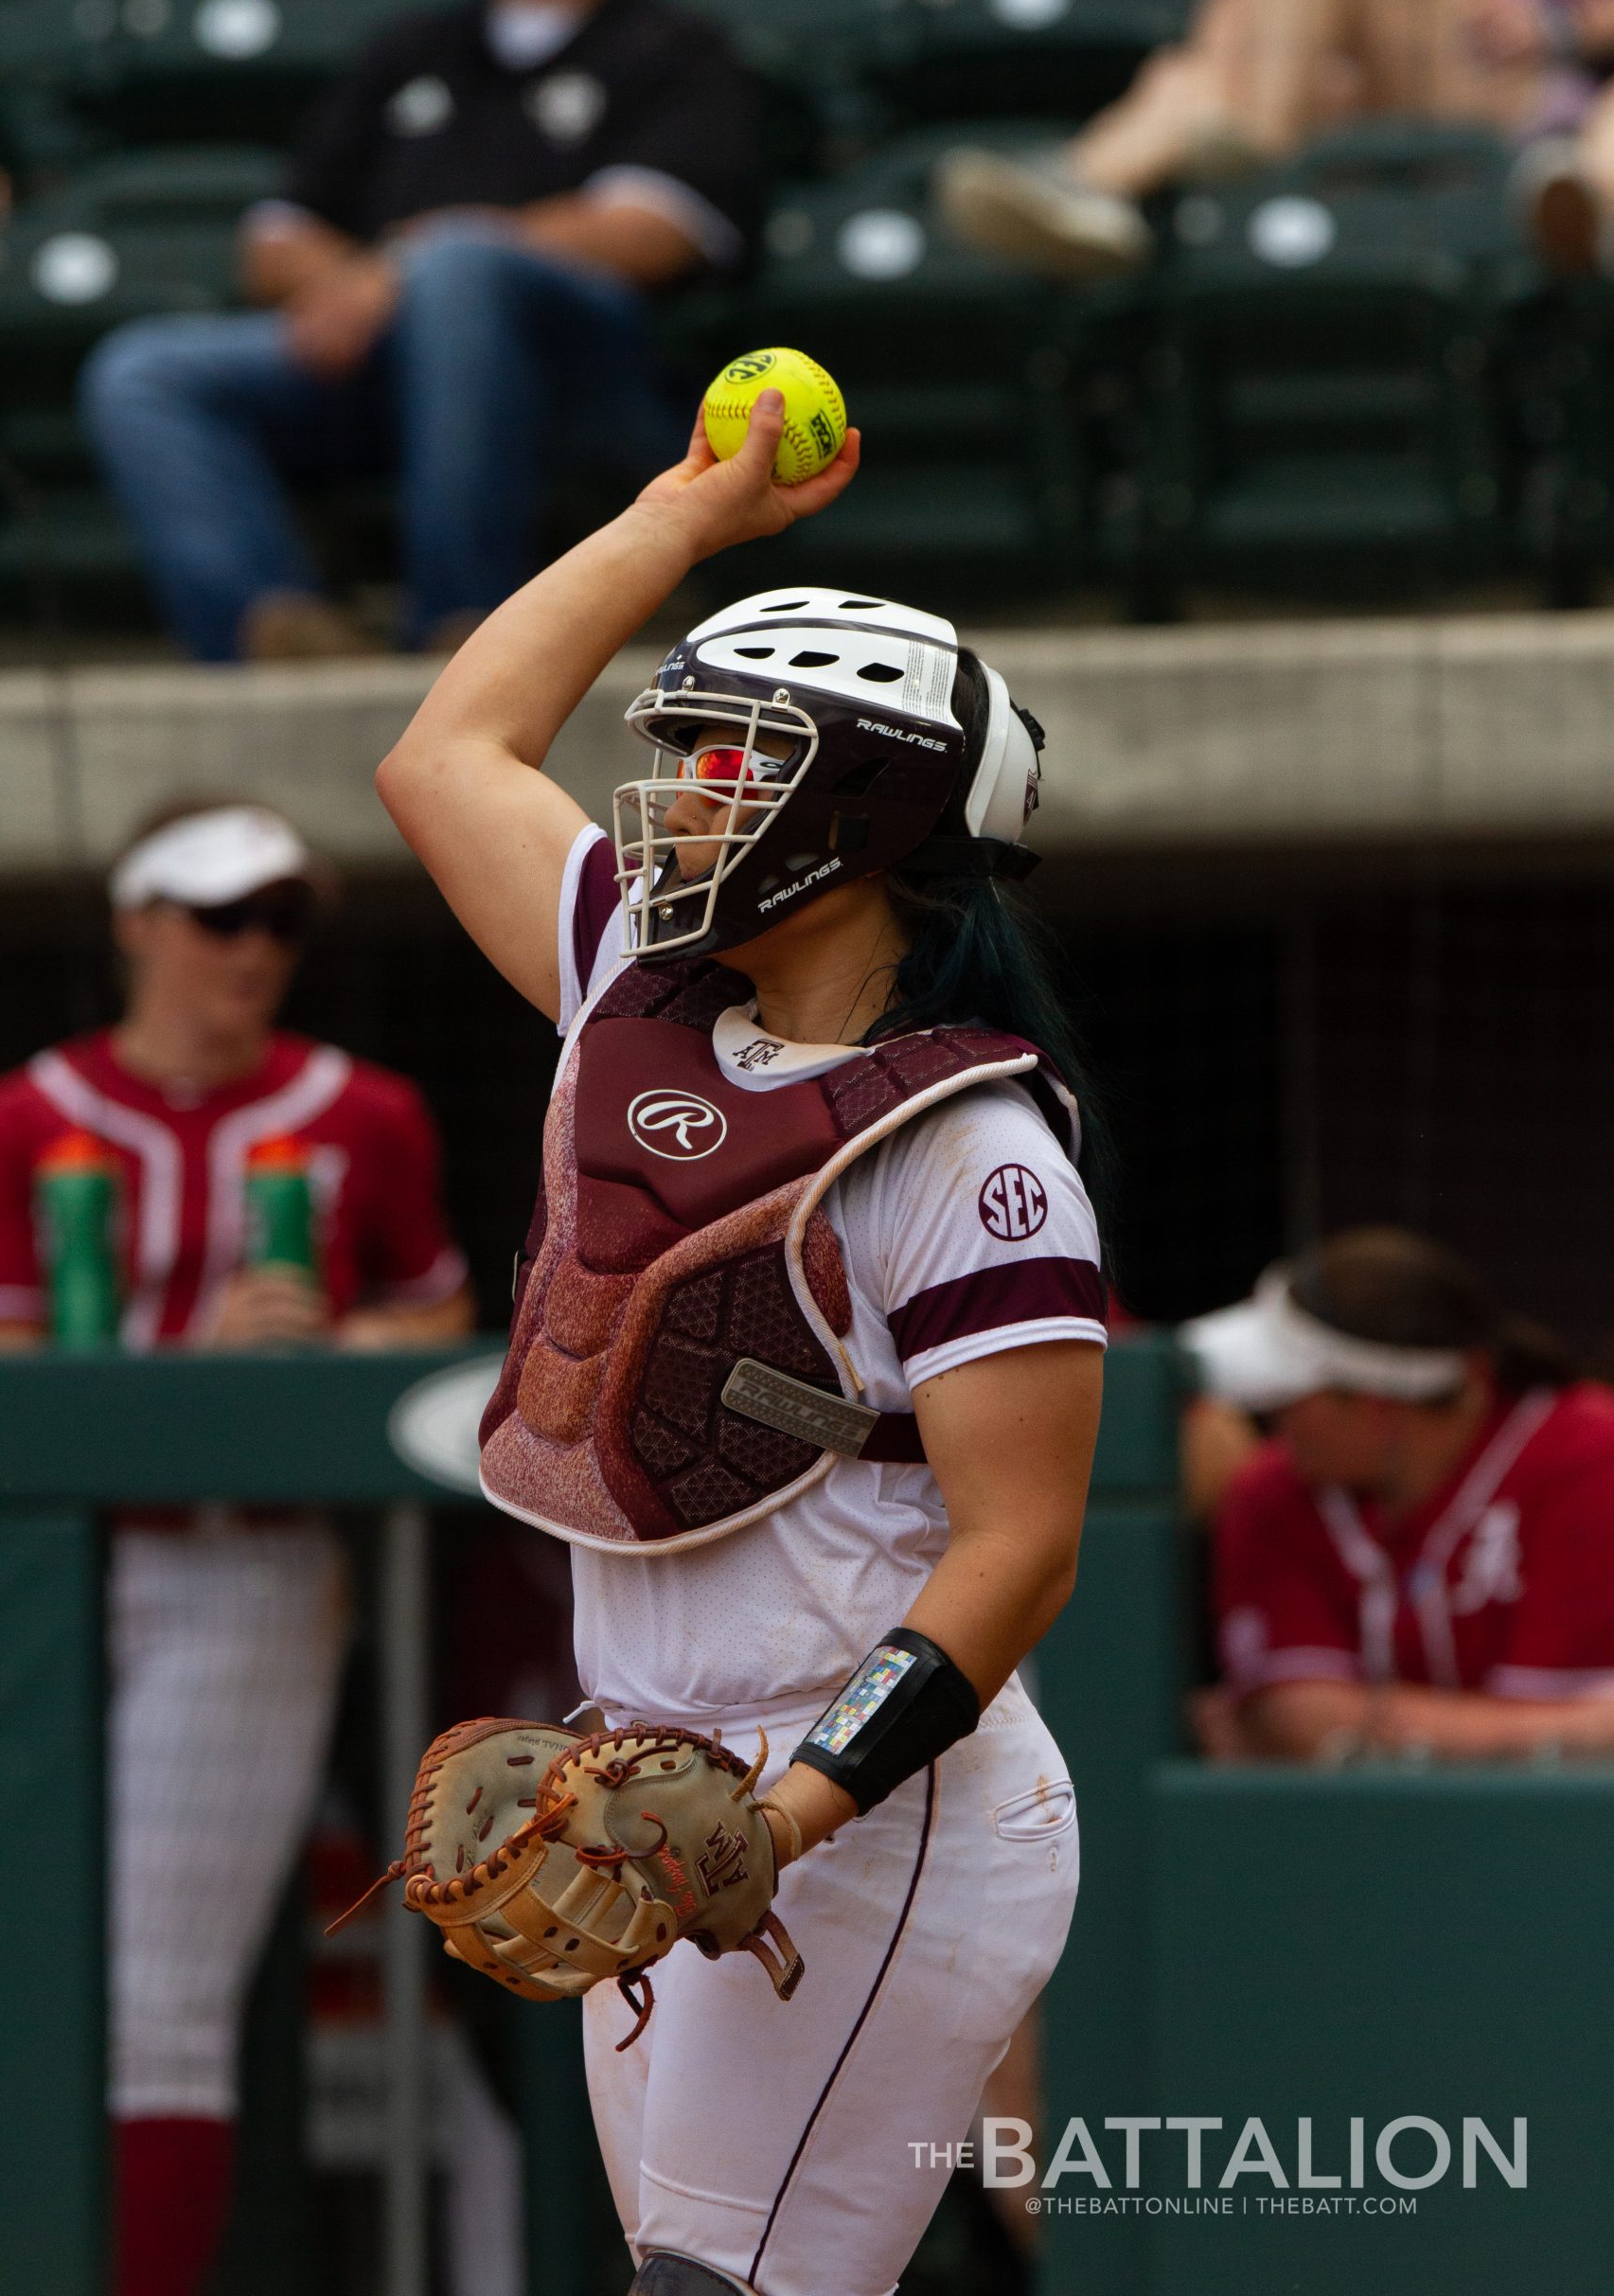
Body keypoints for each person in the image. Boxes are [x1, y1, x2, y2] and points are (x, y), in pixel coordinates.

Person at [373, 393, 1107, 2296]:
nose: (681, 782)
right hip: (651, 1784)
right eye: (687, 741)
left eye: (733, 753)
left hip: (866, 1814)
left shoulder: (969, 1146)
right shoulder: (639, 978)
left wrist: (784, 1814)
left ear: (859, 816)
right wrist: (679, 519)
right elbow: (444, 747)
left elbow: (1017, 1546)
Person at [0, 800, 472, 2296]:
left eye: (280, 923)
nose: (252, 951)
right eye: (219, 917)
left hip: (249, 1569)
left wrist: (328, 1344)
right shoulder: (29, 1111)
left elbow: (439, 1311)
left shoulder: (359, 1109)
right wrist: (176, 1357)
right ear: (137, 921)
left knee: (161, 1999)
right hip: (40, 1570)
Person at [80, 0, 762, 664]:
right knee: (144, 370)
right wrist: (355, 285)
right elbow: (276, 240)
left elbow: (655, 230)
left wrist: (409, 266)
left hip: (588, 380)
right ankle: (274, 636)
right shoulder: (413, 47)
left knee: (462, 275)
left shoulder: (675, 47)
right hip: (386, 365)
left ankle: (457, 630)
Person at [936, 0, 1614, 279]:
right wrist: (1226, 52)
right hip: (1373, 86)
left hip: (1518, 80)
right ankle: (1093, 188)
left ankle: (1199, 149)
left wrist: (1560, 25)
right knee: (1220, 38)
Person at [1184, 1227, 1614, 1762]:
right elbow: (1298, 1721)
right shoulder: (1268, 1489)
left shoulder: (1589, 1452)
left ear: (1378, 1408)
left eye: (1289, 1393)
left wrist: (1339, 1730)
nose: (1272, 1417)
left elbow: (1579, 1756)